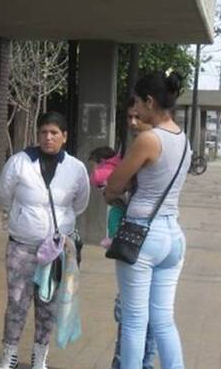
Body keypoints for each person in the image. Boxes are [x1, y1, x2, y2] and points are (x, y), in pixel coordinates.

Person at [105, 71, 191, 369]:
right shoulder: (183, 138)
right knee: (163, 320)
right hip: (173, 237)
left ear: (150, 101)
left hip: (143, 236)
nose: (136, 110)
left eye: (139, 103)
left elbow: (114, 185)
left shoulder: (149, 139)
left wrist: (113, 190)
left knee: (134, 321)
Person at [0, 111, 90, 369]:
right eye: (43, 132)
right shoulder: (19, 162)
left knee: (48, 305)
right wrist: (23, 217)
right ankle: (9, 354)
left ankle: (40, 357)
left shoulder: (76, 168)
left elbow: (80, 204)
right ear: (37, 135)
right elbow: (3, 197)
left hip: (57, 250)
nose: (48, 137)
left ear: (64, 137)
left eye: (54, 133)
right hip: (22, 246)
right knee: (17, 301)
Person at [88, 100, 156, 369]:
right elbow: (112, 193)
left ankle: (136, 364)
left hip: (146, 238)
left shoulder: (154, 148)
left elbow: (116, 191)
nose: (133, 123)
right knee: (136, 311)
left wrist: (115, 192)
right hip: (131, 237)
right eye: (129, 117)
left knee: (136, 311)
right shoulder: (132, 149)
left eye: (138, 117)